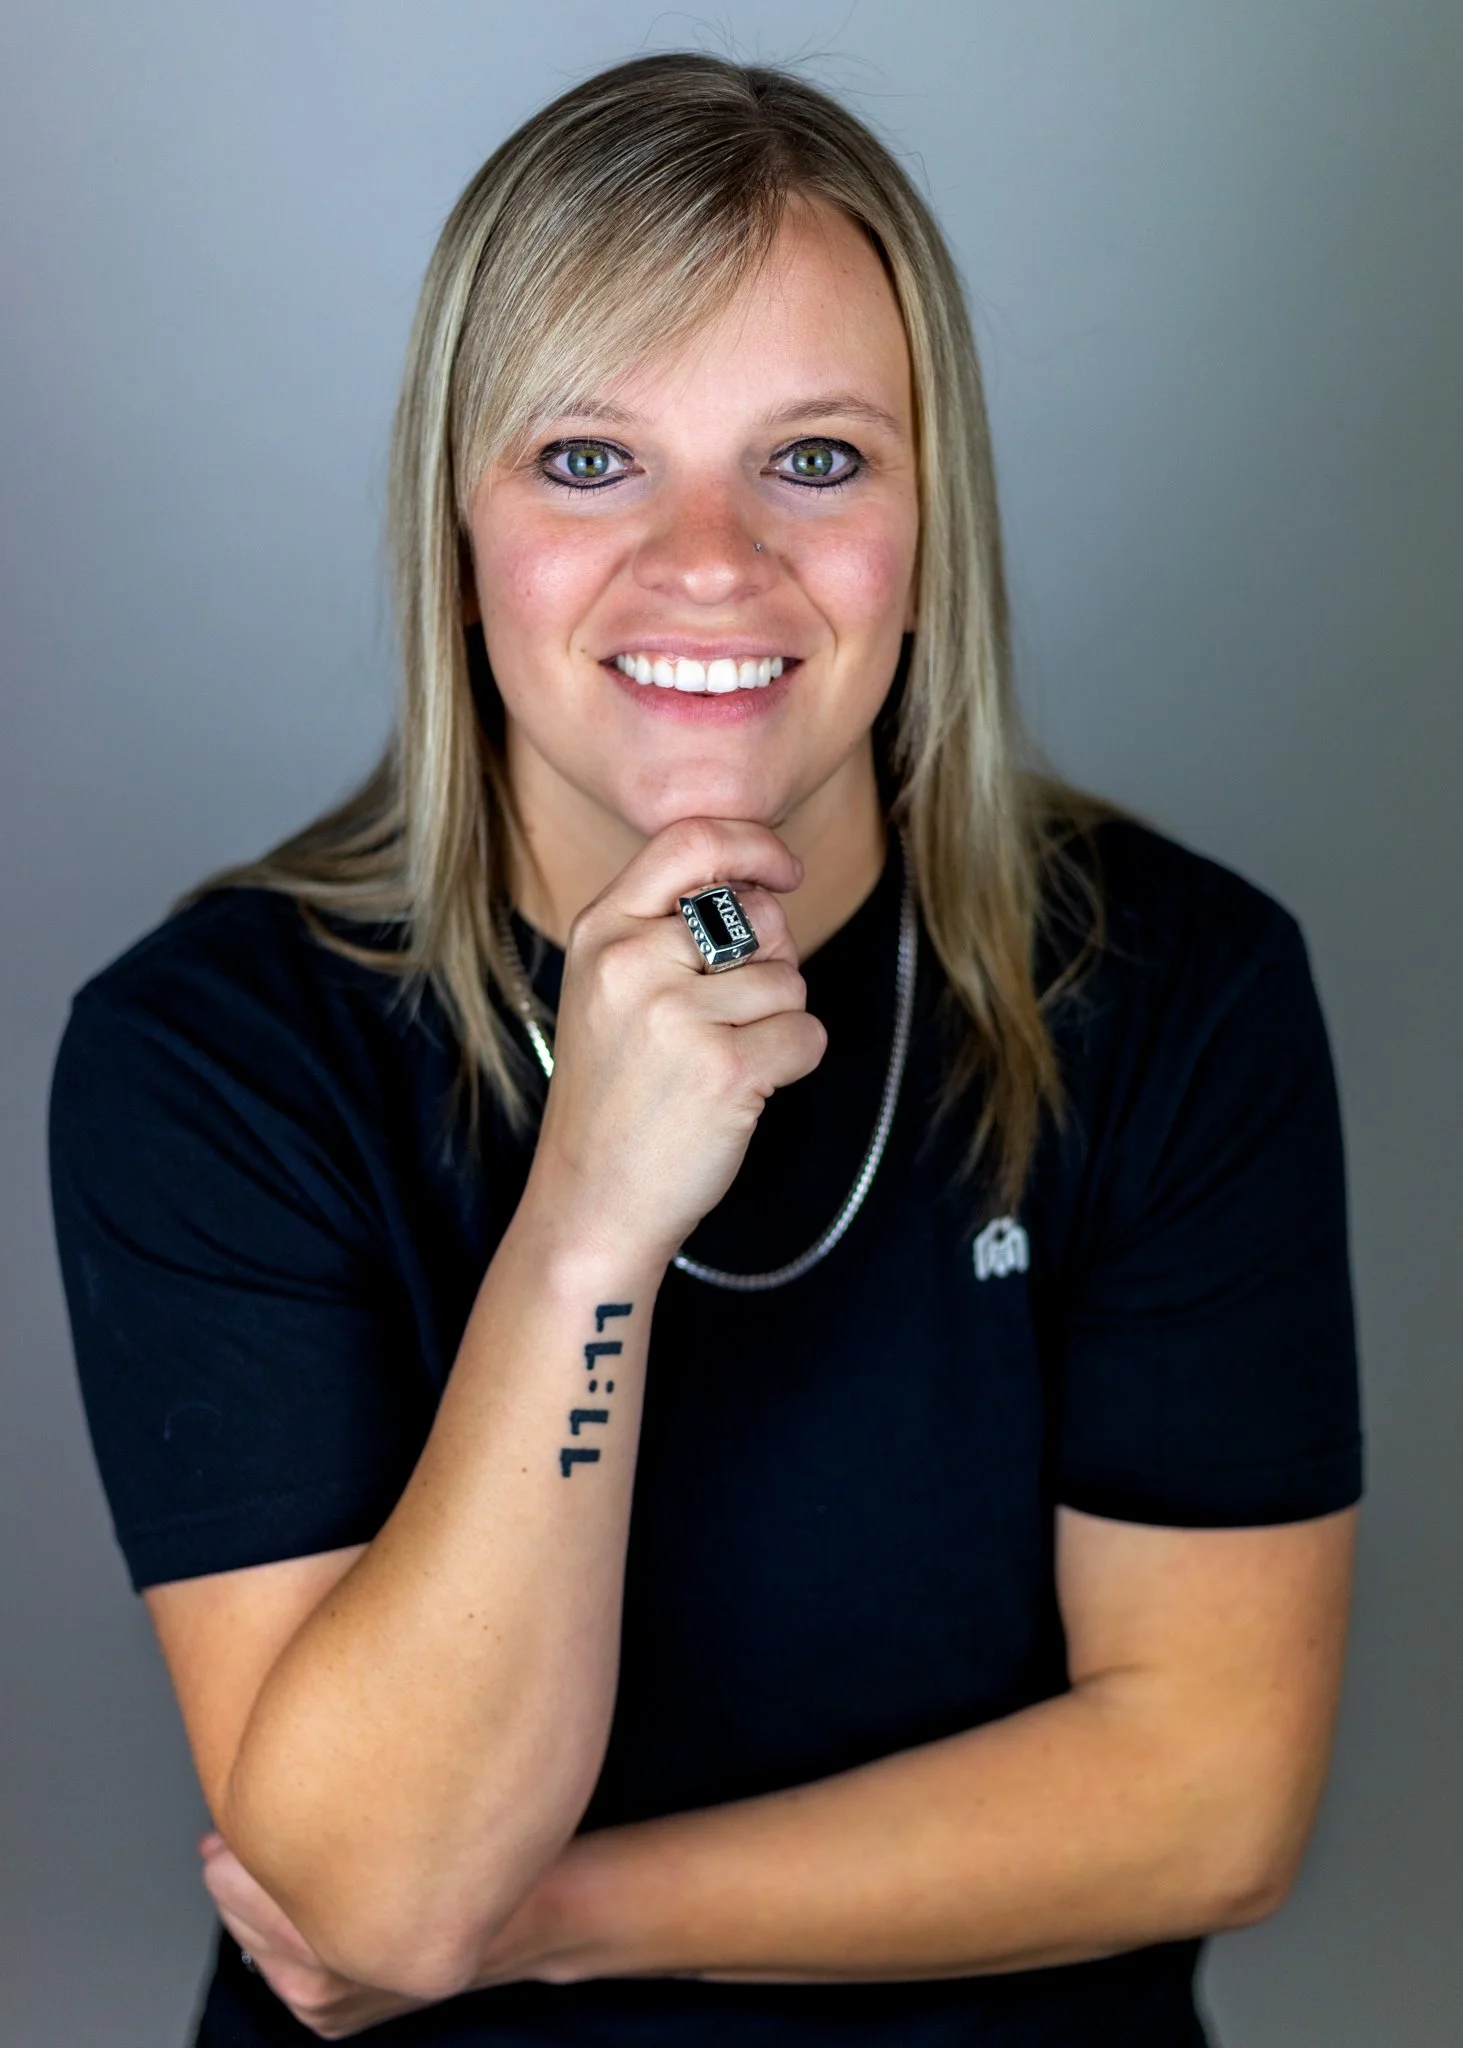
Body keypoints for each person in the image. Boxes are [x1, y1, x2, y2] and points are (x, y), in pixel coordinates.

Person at [47, 50, 1363, 2048]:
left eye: (813, 457)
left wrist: (548, 1920)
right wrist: (589, 1221)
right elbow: (379, 1879)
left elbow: (1209, 1800)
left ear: (929, 518)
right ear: (454, 523)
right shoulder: (212, 1056)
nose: (707, 561)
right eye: (588, 458)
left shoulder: (1174, 990)